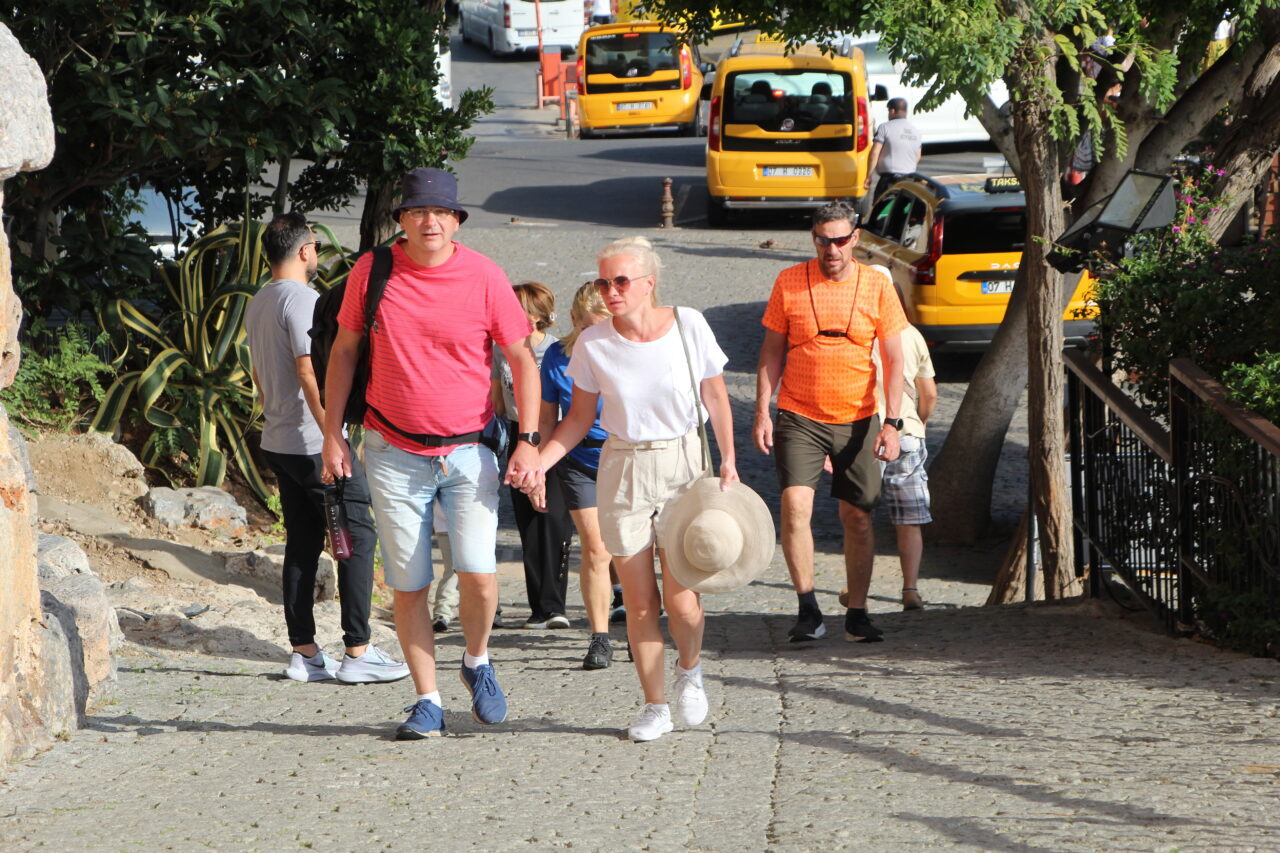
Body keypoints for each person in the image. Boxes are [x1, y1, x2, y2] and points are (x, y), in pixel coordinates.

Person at [320, 168, 543, 740]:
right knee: (409, 585)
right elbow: (344, 351)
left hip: (468, 452)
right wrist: (331, 433)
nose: (430, 222)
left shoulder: (485, 276)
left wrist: (529, 441)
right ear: (402, 220)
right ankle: (427, 700)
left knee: (480, 576)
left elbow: (521, 358)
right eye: (419, 212)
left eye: (442, 213)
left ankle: (476, 660)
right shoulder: (373, 271)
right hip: (393, 449)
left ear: (456, 220)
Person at [518, 237, 738, 742]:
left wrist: (728, 460)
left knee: (682, 600)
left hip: (684, 463)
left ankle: (690, 668)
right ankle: (654, 705)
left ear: (648, 284)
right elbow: (576, 419)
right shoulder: (594, 343)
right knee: (640, 602)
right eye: (603, 281)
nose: (610, 290)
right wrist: (539, 462)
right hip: (623, 467)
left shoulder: (689, 324)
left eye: (620, 281)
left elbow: (716, 396)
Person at [245, 212, 409, 685]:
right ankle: (357, 651)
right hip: (314, 441)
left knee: (302, 545)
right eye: (314, 246)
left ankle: (306, 653)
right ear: (302, 250)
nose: (317, 254)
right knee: (357, 536)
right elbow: (307, 368)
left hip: (279, 438)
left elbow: (259, 373)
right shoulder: (301, 300)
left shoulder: (259, 301)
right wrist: (333, 435)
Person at [754, 202, 908, 644]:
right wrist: (763, 410)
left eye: (841, 239)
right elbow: (770, 352)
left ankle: (857, 613)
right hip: (799, 413)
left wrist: (892, 423)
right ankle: (808, 610)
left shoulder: (877, 286)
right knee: (795, 507)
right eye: (824, 240)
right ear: (814, 239)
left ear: (855, 238)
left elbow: (895, 359)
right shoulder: (789, 282)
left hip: (859, 417)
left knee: (857, 516)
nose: (832, 249)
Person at [537, 282, 615, 669]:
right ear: (573, 322)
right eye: (587, 330)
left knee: (633, 549)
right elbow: (547, 420)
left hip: (626, 458)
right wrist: (538, 469)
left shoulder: (627, 352)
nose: (596, 339)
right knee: (596, 548)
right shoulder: (555, 357)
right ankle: (600, 638)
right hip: (578, 459)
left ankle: (639, 622)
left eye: (604, 329)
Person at [492, 281, 574, 630]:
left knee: (553, 520)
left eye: (517, 306)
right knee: (527, 519)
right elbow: (498, 401)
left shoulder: (556, 350)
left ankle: (555, 606)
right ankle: (537, 608)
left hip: (555, 437)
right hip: (517, 434)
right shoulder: (502, 350)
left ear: (537, 315)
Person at [869, 270, 937, 611]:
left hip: (864, 433)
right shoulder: (911, 334)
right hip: (906, 432)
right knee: (908, 518)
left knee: (858, 514)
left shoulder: (856, 332)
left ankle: (857, 591)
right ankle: (910, 588)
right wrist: (918, 422)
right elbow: (930, 394)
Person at [863, 97, 923, 202]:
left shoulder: (885, 127)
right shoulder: (916, 131)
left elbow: (874, 153)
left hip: (889, 180)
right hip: (909, 181)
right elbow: (918, 156)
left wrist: (868, 175)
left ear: (892, 111)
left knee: (881, 211)